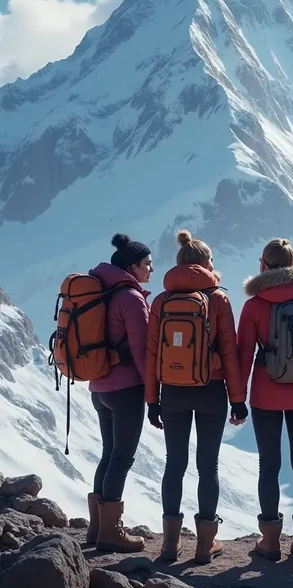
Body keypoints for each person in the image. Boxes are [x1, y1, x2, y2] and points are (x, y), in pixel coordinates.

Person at [145, 230, 248, 565]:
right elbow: (229, 352)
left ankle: (168, 546)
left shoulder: (160, 301)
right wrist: (237, 398)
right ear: (206, 264)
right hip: (211, 391)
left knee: (174, 464)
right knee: (208, 465)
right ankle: (204, 547)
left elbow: (151, 355)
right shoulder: (218, 299)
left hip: (172, 392)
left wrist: (152, 400)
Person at [237, 238, 293, 563]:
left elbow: (244, 356)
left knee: (269, 466)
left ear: (262, 265)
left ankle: (270, 542)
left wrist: (237, 399)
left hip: (266, 394)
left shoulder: (254, 305)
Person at [87, 233, 153, 553]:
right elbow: (142, 352)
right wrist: (153, 394)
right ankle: (111, 533)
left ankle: (96, 529)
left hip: (98, 386)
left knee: (108, 453)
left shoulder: (99, 290)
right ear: (132, 267)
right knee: (121, 458)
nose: (151, 270)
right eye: (147, 265)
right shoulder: (130, 297)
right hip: (125, 389)